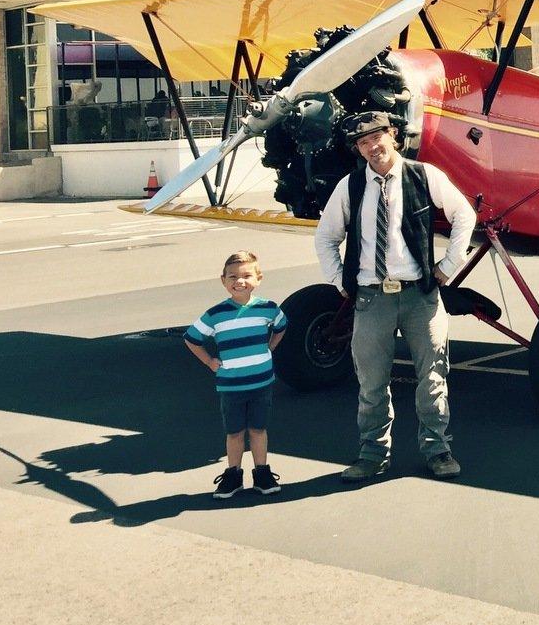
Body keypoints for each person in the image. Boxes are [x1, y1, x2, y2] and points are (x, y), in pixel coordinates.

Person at [315, 110, 477, 482]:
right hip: (372, 299)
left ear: (393, 136)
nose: (372, 147)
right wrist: (340, 280)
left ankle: (437, 449)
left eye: (377, 137)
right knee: (371, 383)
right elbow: (326, 237)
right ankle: (373, 454)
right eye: (363, 142)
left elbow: (464, 215)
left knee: (433, 377)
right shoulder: (351, 186)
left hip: (421, 295)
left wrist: (449, 265)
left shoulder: (424, 175)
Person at [183, 252, 288, 499]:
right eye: (232, 276)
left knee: (258, 430)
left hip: (261, 383)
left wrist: (269, 348)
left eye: (246, 275)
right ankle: (233, 475)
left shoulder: (268, 308)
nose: (239, 281)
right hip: (231, 387)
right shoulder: (216, 314)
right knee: (235, 433)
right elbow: (191, 338)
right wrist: (209, 361)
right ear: (223, 280)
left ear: (258, 279)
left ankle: (262, 472)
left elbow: (282, 327)